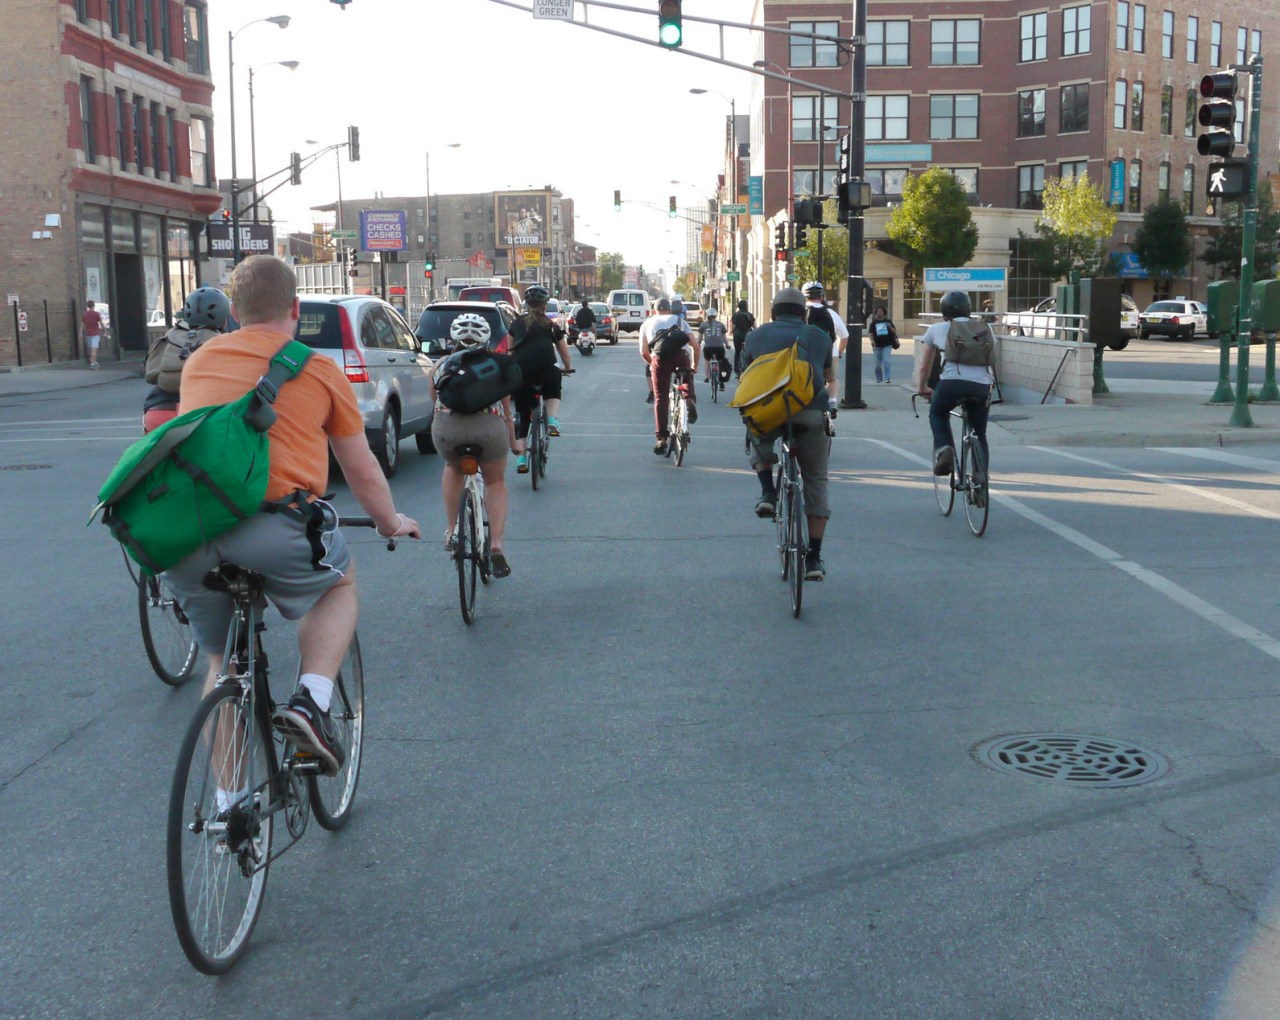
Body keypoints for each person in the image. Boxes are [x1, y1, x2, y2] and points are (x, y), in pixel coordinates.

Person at [162, 255, 421, 776]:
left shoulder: (201, 362)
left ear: (233, 311)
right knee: (338, 585)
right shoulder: (318, 368)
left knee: (222, 664)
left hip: (189, 533)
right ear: (295, 310)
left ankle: (230, 806)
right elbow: (362, 467)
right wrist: (390, 522)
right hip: (275, 527)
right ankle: (311, 701)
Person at [743, 286, 836, 580]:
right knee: (816, 479)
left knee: (756, 431)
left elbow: (746, 377)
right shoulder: (819, 336)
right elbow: (829, 376)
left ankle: (767, 491)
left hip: (771, 412)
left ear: (773, 312)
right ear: (803, 312)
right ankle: (814, 557)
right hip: (810, 411)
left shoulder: (755, 336)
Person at [429, 316, 519, 578]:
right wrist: (514, 443)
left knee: (452, 468)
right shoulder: (495, 365)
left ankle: (453, 530)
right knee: (495, 482)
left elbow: (434, 403)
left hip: (448, 429)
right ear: (486, 339)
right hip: (488, 429)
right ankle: (496, 546)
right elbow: (506, 412)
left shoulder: (440, 365)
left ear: (454, 338)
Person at [916, 289, 995, 484]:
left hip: (951, 384)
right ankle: (981, 476)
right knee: (980, 432)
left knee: (938, 413)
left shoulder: (936, 329)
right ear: (969, 309)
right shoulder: (985, 328)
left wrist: (922, 387)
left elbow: (925, 365)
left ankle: (944, 449)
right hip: (982, 385)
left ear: (944, 311)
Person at [141, 287, 231, 432]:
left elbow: (151, 375)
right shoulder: (225, 343)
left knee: (155, 451)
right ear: (224, 319)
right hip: (201, 416)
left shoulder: (170, 336)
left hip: (158, 411)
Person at [508, 284, 572, 472]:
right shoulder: (551, 325)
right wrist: (567, 368)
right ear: (545, 305)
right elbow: (564, 354)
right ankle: (551, 419)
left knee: (522, 412)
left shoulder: (516, 324)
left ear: (526, 304)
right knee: (553, 387)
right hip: (546, 371)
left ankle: (521, 459)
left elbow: (509, 351)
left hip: (523, 373)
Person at [640, 297, 699, 453]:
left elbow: (644, 351)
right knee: (686, 379)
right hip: (680, 356)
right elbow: (696, 346)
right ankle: (689, 398)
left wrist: (652, 363)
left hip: (660, 359)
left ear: (654, 310)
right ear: (670, 310)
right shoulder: (680, 322)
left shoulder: (647, 323)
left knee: (661, 397)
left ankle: (662, 438)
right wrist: (694, 365)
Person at [802, 281, 848, 411]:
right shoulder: (831, 313)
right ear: (822, 297)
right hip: (829, 353)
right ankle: (832, 402)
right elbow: (844, 337)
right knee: (832, 379)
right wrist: (838, 353)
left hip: (805, 354)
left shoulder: (801, 313)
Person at [867, 305, 899, 385]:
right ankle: (879, 379)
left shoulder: (888, 321)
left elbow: (894, 331)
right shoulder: (873, 323)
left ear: (884, 313)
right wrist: (872, 341)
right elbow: (870, 333)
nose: (879, 313)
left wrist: (889, 327)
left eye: (881, 311)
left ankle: (887, 378)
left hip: (887, 345)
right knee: (877, 365)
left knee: (886, 361)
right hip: (877, 346)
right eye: (878, 311)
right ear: (875, 313)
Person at [700, 307, 730, 383]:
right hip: (719, 348)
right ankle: (721, 379)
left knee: (707, 360)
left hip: (708, 348)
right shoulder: (721, 324)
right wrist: (727, 345)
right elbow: (725, 338)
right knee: (721, 360)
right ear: (716, 316)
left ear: (707, 316)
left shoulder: (703, 325)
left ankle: (707, 377)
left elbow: (699, 339)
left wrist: (698, 345)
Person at [731, 299, 756, 377]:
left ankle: (736, 370)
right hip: (747, 335)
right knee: (748, 352)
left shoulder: (736, 315)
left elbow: (733, 326)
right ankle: (748, 367)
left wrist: (733, 331)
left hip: (737, 335)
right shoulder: (750, 315)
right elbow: (755, 327)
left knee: (737, 352)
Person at [82, 300, 104, 369]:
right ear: (93, 306)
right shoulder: (96, 314)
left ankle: (94, 362)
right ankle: (92, 364)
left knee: (91, 349)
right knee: (94, 350)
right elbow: (101, 323)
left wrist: (80, 332)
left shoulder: (84, 314)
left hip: (88, 334)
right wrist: (105, 331)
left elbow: (82, 324)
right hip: (95, 333)